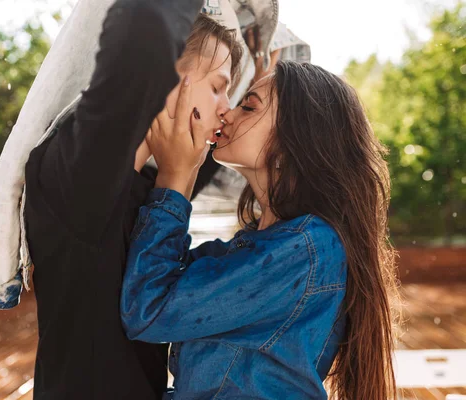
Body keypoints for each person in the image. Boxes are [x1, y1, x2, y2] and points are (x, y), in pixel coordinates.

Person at [121, 61, 399, 399]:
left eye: (248, 106)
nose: (227, 113)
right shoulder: (259, 249)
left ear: (296, 136)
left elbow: (148, 309)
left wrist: (176, 178)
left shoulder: (306, 251)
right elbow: (153, 282)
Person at [23, 1, 244, 398]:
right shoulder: (79, 174)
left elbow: (193, 164)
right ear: (164, 75)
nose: (227, 109)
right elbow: (147, 24)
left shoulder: (141, 188)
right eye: (218, 87)